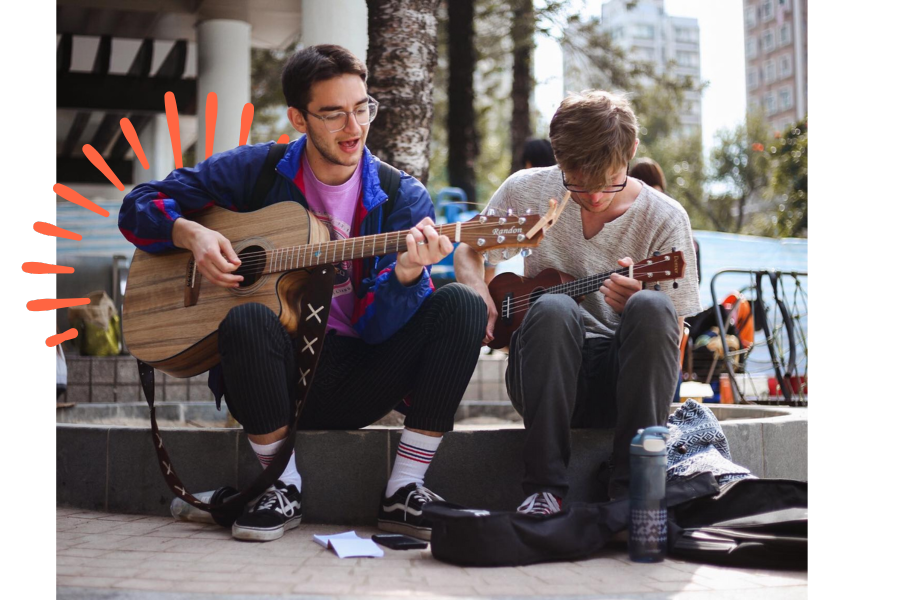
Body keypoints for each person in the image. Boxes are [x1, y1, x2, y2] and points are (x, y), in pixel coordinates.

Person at [119, 45, 486, 541]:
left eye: (361, 109)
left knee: (460, 303)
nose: (353, 128)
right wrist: (191, 234)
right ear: (298, 117)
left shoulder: (402, 198)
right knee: (246, 318)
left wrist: (403, 274)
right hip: (271, 377)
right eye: (333, 114)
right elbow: (139, 203)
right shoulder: (254, 171)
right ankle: (279, 484)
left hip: (360, 374)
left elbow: (378, 331)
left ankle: (405, 490)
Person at [455, 90, 701, 513]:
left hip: (625, 384)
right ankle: (543, 491)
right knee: (552, 308)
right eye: (578, 184)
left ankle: (635, 491)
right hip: (542, 372)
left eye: (610, 182)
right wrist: (480, 292)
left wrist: (637, 303)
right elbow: (468, 249)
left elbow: (674, 332)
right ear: (557, 157)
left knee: (653, 307)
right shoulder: (528, 190)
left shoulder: (665, 217)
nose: (594, 197)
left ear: (633, 151)